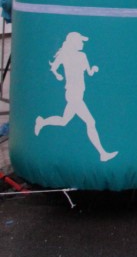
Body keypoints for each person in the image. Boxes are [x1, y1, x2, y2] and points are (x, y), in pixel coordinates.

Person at [35, 32, 118, 162]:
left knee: (64, 121)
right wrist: (58, 75)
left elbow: (89, 72)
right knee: (91, 122)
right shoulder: (64, 55)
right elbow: (54, 68)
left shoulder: (82, 56)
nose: (82, 43)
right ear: (73, 42)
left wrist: (93, 69)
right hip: (72, 94)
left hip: (79, 92)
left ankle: (42, 122)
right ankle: (102, 153)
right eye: (80, 41)